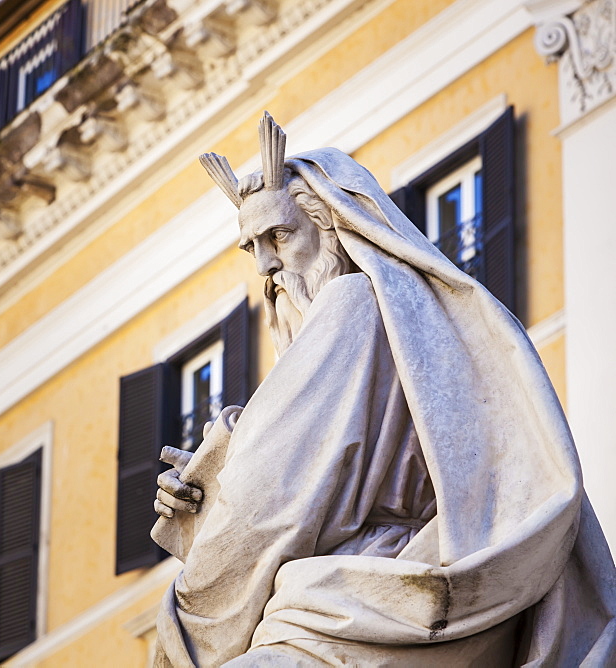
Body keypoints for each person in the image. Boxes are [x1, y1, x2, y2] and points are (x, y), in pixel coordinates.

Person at [149, 112, 616, 666]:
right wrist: (212, 476)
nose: (266, 266)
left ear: (333, 227)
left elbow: (269, 501)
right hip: (418, 594)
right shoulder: (413, 322)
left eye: (278, 235)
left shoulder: (348, 306)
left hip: (362, 600)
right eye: (252, 247)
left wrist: (187, 623)